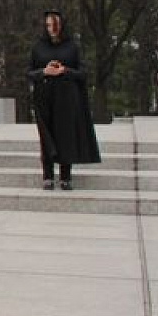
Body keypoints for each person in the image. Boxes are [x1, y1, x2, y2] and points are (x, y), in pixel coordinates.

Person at [28, 11, 100, 190]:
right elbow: (29, 72)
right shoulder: (38, 47)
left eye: (55, 25)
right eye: (48, 25)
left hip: (66, 97)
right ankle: (48, 175)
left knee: (65, 135)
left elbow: (83, 73)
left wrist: (64, 71)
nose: (52, 29)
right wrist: (44, 72)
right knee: (46, 136)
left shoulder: (72, 47)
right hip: (44, 95)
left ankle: (65, 175)